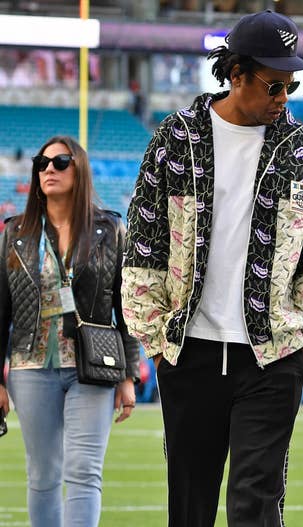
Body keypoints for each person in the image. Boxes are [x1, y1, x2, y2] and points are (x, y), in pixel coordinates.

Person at [120, 10, 303, 527]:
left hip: (273, 357)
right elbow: (145, 246)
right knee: (190, 505)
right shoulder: (175, 139)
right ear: (235, 72)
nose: (283, 98)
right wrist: (156, 339)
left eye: (291, 86)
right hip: (190, 352)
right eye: (273, 85)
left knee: (256, 503)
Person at [0, 136, 139, 527]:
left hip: (92, 365)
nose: (48, 169)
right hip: (29, 366)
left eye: (60, 162)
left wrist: (129, 374)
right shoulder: (15, 233)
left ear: (79, 169)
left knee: (84, 470)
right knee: (43, 474)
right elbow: (1, 310)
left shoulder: (110, 229)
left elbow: (125, 307)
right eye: (41, 163)